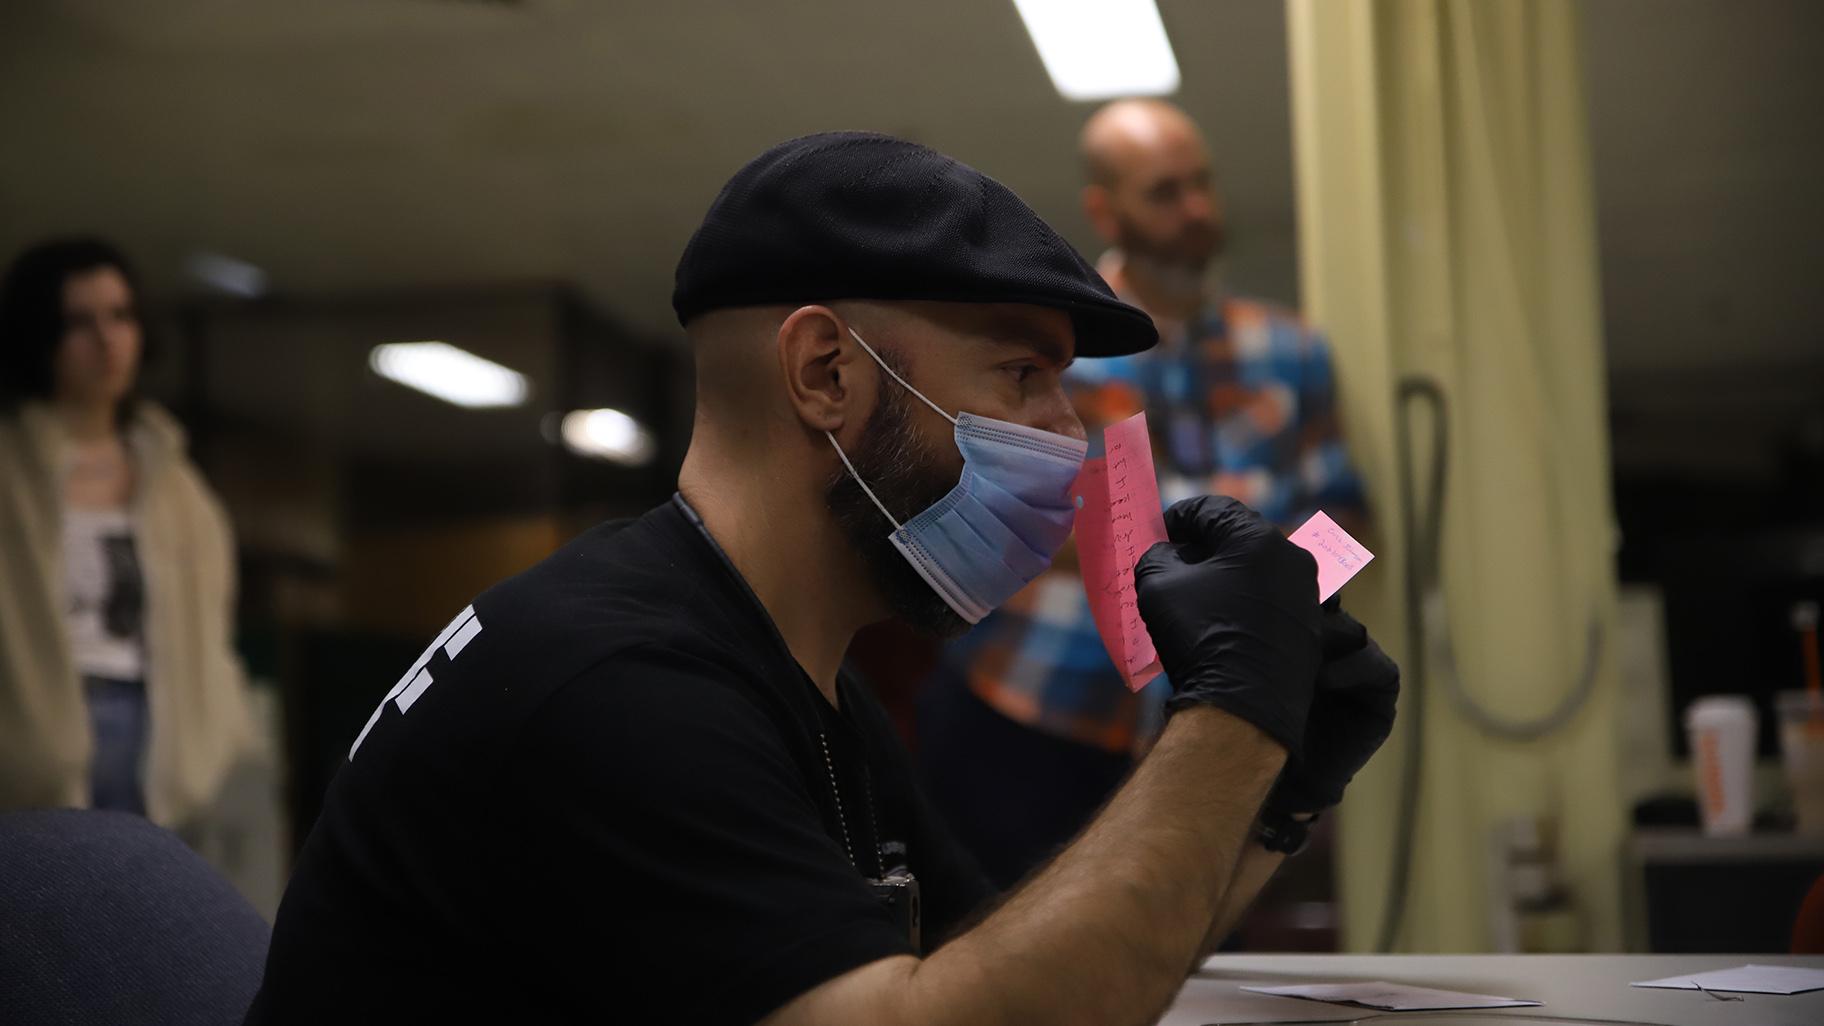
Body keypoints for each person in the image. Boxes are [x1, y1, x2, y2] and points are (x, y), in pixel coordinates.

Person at [247, 132, 1397, 1025]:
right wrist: (1228, 722)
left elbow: (1022, 982)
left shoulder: (803, 687)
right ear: (825, 372)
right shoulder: (614, 687)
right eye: (1021, 376)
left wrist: (1274, 794)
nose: (1068, 436)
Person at [918, 99, 1372, 887]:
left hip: (1212, 717)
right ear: (1106, 208)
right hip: (1034, 709)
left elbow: (1346, 509)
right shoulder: (1041, 345)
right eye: (1165, 192)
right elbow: (972, 514)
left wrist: (1273, 604)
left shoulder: (1290, 349)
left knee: (1179, 960)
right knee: (995, 957)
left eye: (1202, 184)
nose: (1196, 210)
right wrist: (1170, 548)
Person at [0, 236, 254, 825]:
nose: (106, 341)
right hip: (36, 738)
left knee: (134, 901)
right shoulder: (13, 469)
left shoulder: (173, 480)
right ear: (42, 335)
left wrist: (219, 735)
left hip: (155, 730)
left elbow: (212, 624)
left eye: (120, 316)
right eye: (79, 322)